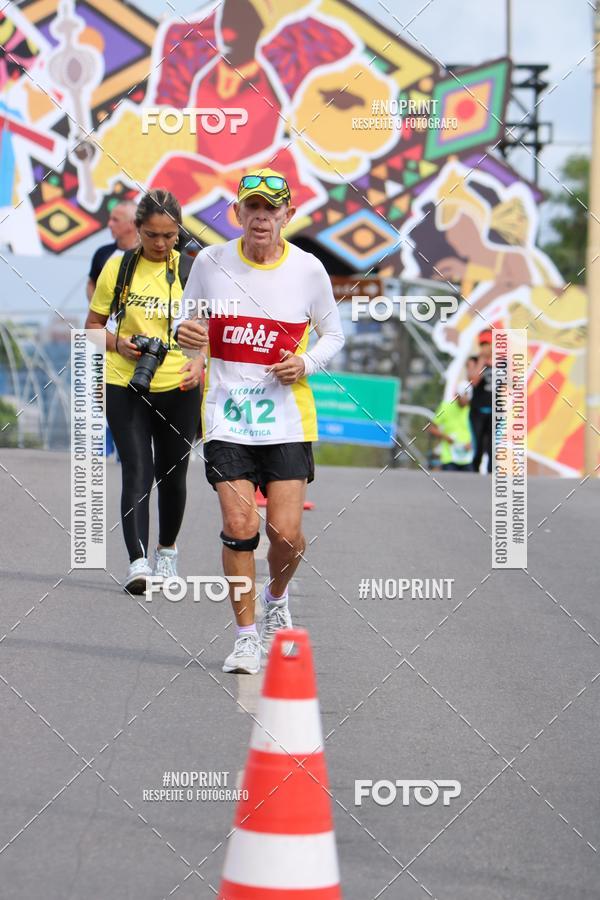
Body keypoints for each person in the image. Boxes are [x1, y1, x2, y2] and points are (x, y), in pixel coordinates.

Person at [176, 168, 345, 674]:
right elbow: (190, 321)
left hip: (287, 420)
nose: (261, 218)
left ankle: (275, 598)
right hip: (227, 415)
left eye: (272, 210)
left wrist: (306, 362)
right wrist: (190, 343)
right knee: (239, 523)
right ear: (238, 214)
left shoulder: (309, 271)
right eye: (252, 208)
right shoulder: (210, 261)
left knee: (288, 536)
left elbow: (333, 336)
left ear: (287, 216)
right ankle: (246, 636)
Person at [84, 189, 207, 593]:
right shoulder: (117, 268)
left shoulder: (194, 268)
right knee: (136, 469)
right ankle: (137, 563)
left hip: (180, 384)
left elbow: (214, 329)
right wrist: (119, 344)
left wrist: (199, 360)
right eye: (152, 234)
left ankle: (166, 554)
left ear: (179, 233)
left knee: (172, 475)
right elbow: (92, 326)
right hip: (126, 381)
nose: (160, 244)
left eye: (170, 236)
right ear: (137, 230)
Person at [86, 200, 139, 302]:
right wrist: (97, 311)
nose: (109, 224)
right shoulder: (102, 253)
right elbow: (92, 283)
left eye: (115, 220)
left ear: (133, 223)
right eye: (110, 219)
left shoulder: (148, 255)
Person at [470, 331, 493, 473]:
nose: (485, 347)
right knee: (478, 446)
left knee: (492, 447)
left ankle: (491, 474)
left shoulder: (501, 363)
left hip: (496, 411)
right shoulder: (474, 360)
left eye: (487, 344)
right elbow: (473, 381)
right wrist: (482, 362)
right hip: (478, 411)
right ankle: (474, 471)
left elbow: (512, 383)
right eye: (482, 344)